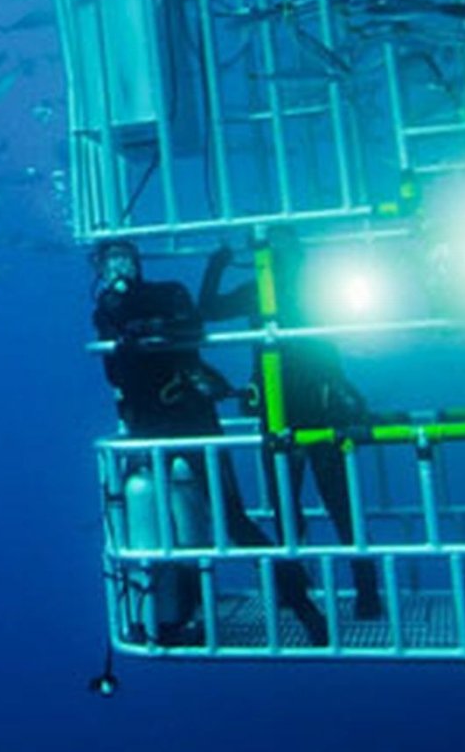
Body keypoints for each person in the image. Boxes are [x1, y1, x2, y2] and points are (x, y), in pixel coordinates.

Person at [91, 238, 329, 646]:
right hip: (146, 428)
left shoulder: (169, 293)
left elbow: (193, 329)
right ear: (98, 270)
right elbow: (115, 374)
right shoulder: (105, 313)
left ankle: (303, 605)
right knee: (150, 518)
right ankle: (169, 617)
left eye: (124, 259)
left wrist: (148, 331)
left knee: (232, 518)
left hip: (191, 419)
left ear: (137, 262)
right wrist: (128, 335)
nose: (119, 270)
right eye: (109, 262)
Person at [200, 232, 385, 621]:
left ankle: (333, 590)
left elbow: (209, 309)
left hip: (305, 410)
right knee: (314, 507)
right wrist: (216, 264)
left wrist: (217, 264)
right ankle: (322, 590)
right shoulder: (294, 290)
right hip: (295, 410)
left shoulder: (284, 290)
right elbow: (209, 311)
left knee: (314, 507)